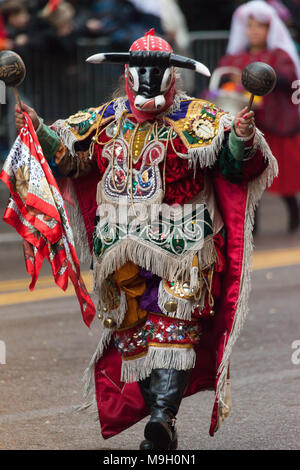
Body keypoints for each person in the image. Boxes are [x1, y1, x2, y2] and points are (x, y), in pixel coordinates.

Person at [11, 29, 277, 450]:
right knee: (133, 331)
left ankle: (162, 418)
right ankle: (159, 416)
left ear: (173, 78)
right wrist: (39, 128)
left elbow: (233, 169)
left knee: (175, 326)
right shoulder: (103, 119)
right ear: (126, 75)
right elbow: (74, 164)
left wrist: (241, 139)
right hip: (119, 247)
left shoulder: (202, 119)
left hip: (185, 243)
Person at [218, 0, 300, 232]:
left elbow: (288, 79)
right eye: (250, 25)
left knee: (282, 179)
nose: (254, 31)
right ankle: (252, 228)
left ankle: (295, 214)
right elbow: (222, 79)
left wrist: (261, 78)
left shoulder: (279, 55)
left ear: (270, 29)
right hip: (248, 127)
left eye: (260, 26)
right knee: (250, 178)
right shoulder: (235, 57)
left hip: (275, 126)